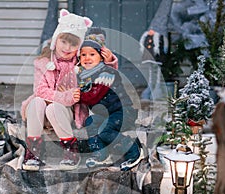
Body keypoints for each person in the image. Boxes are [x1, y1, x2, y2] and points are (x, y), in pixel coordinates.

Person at [20, 10, 118, 171]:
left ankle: (70, 150)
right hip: (41, 113)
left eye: (73, 44)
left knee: (54, 107)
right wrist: (65, 95)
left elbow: (102, 75)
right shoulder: (43, 62)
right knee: (36, 101)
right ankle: (33, 152)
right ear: (55, 40)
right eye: (64, 41)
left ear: (79, 46)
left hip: (66, 113)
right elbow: (40, 90)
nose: (67, 47)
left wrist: (109, 63)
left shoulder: (80, 62)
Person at [77, 27, 144, 171]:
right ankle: (100, 154)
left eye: (92, 54)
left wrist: (78, 95)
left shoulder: (107, 73)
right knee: (90, 122)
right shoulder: (84, 77)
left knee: (105, 131)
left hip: (123, 112)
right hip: (107, 115)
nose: (87, 58)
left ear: (101, 57)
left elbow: (94, 95)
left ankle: (134, 150)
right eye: (83, 55)